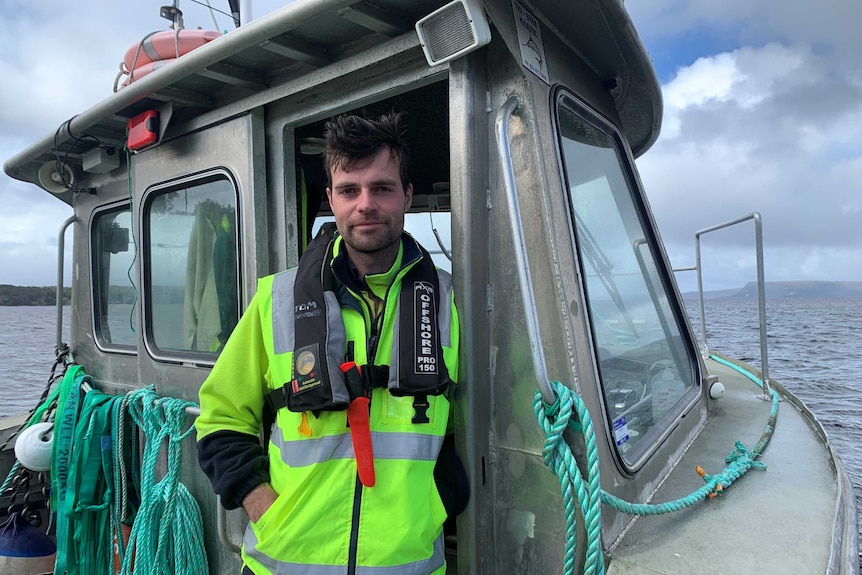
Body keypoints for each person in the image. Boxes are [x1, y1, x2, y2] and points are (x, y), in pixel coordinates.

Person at [196, 111, 467, 575]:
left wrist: (440, 502)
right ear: (330, 200)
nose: (366, 204)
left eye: (382, 188)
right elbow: (219, 419)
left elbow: (487, 423)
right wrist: (265, 508)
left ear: (407, 195)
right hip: (283, 565)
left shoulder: (450, 302)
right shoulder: (274, 300)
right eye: (349, 190)